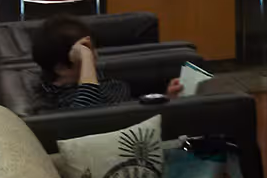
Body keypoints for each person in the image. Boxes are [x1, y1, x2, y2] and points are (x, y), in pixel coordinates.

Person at [31, 14, 183, 111]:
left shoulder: (85, 78)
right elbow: (88, 112)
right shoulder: (63, 99)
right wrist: (86, 59)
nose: (94, 56)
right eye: (86, 52)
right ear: (62, 68)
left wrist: (166, 99)